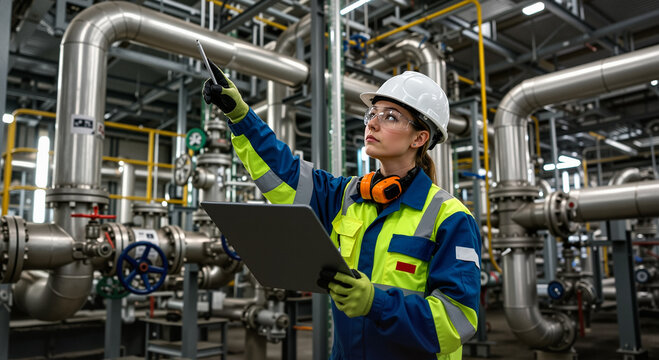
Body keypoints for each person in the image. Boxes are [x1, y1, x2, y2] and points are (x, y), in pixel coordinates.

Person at [203, 61, 481, 360]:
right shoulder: (346, 196)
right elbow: (285, 174)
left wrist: (377, 303)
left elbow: (458, 320)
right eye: (372, 114)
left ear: (419, 138)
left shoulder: (451, 218)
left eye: (390, 117)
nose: (372, 123)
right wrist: (240, 116)